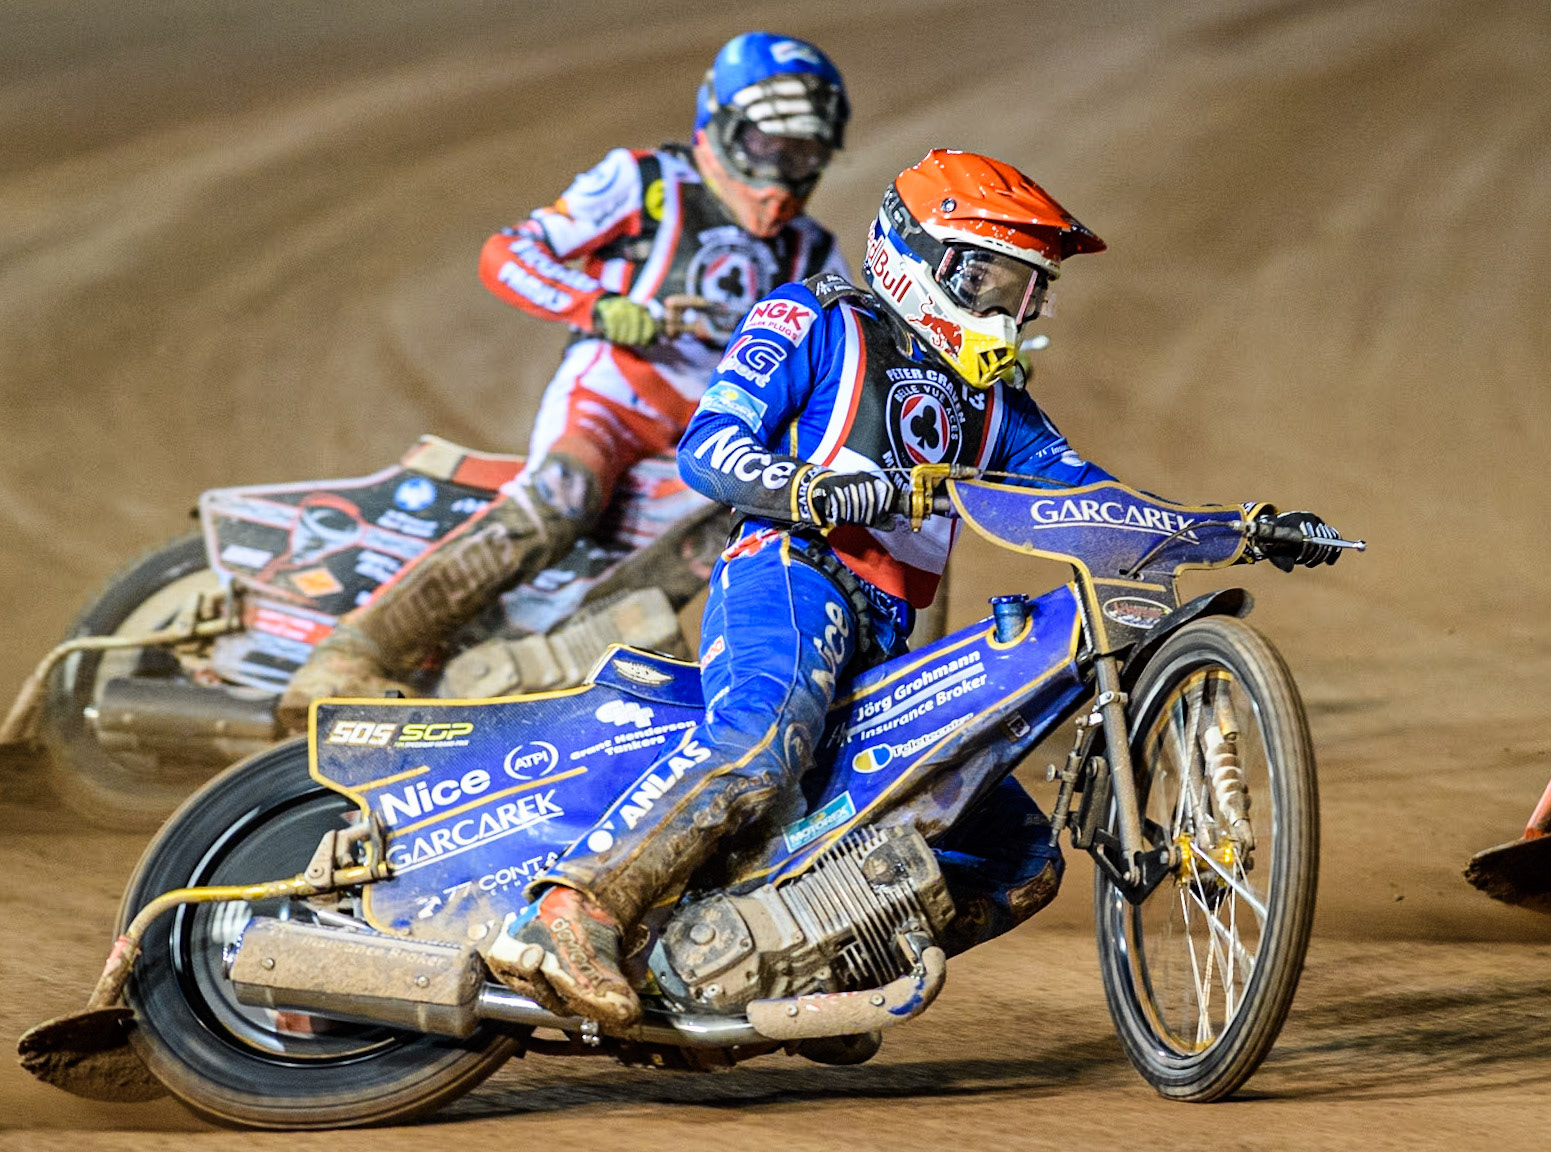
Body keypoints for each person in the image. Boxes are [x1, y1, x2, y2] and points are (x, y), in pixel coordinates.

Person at [484, 149, 1342, 1028]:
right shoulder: (819, 315)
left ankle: (809, 963)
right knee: (761, 738)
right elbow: (710, 446)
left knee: (1020, 860)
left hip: (887, 638)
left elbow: (1095, 503)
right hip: (790, 574)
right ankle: (566, 912)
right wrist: (810, 489)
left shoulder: (993, 401)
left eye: (1028, 290)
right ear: (926, 259)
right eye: (997, 282)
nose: (1014, 311)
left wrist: (1234, 528)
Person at [277, 32, 851, 728]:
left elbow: (845, 348)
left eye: (805, 153)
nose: (784, 170)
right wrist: (602, 307)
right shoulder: (647, 182)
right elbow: (508, 252)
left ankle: (564, 678)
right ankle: (345, 655)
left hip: (708, 433)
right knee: (563, 493)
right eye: (771, 145)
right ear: (721, 123)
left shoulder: (814, 248)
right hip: (612, 395)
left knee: (750, 530)